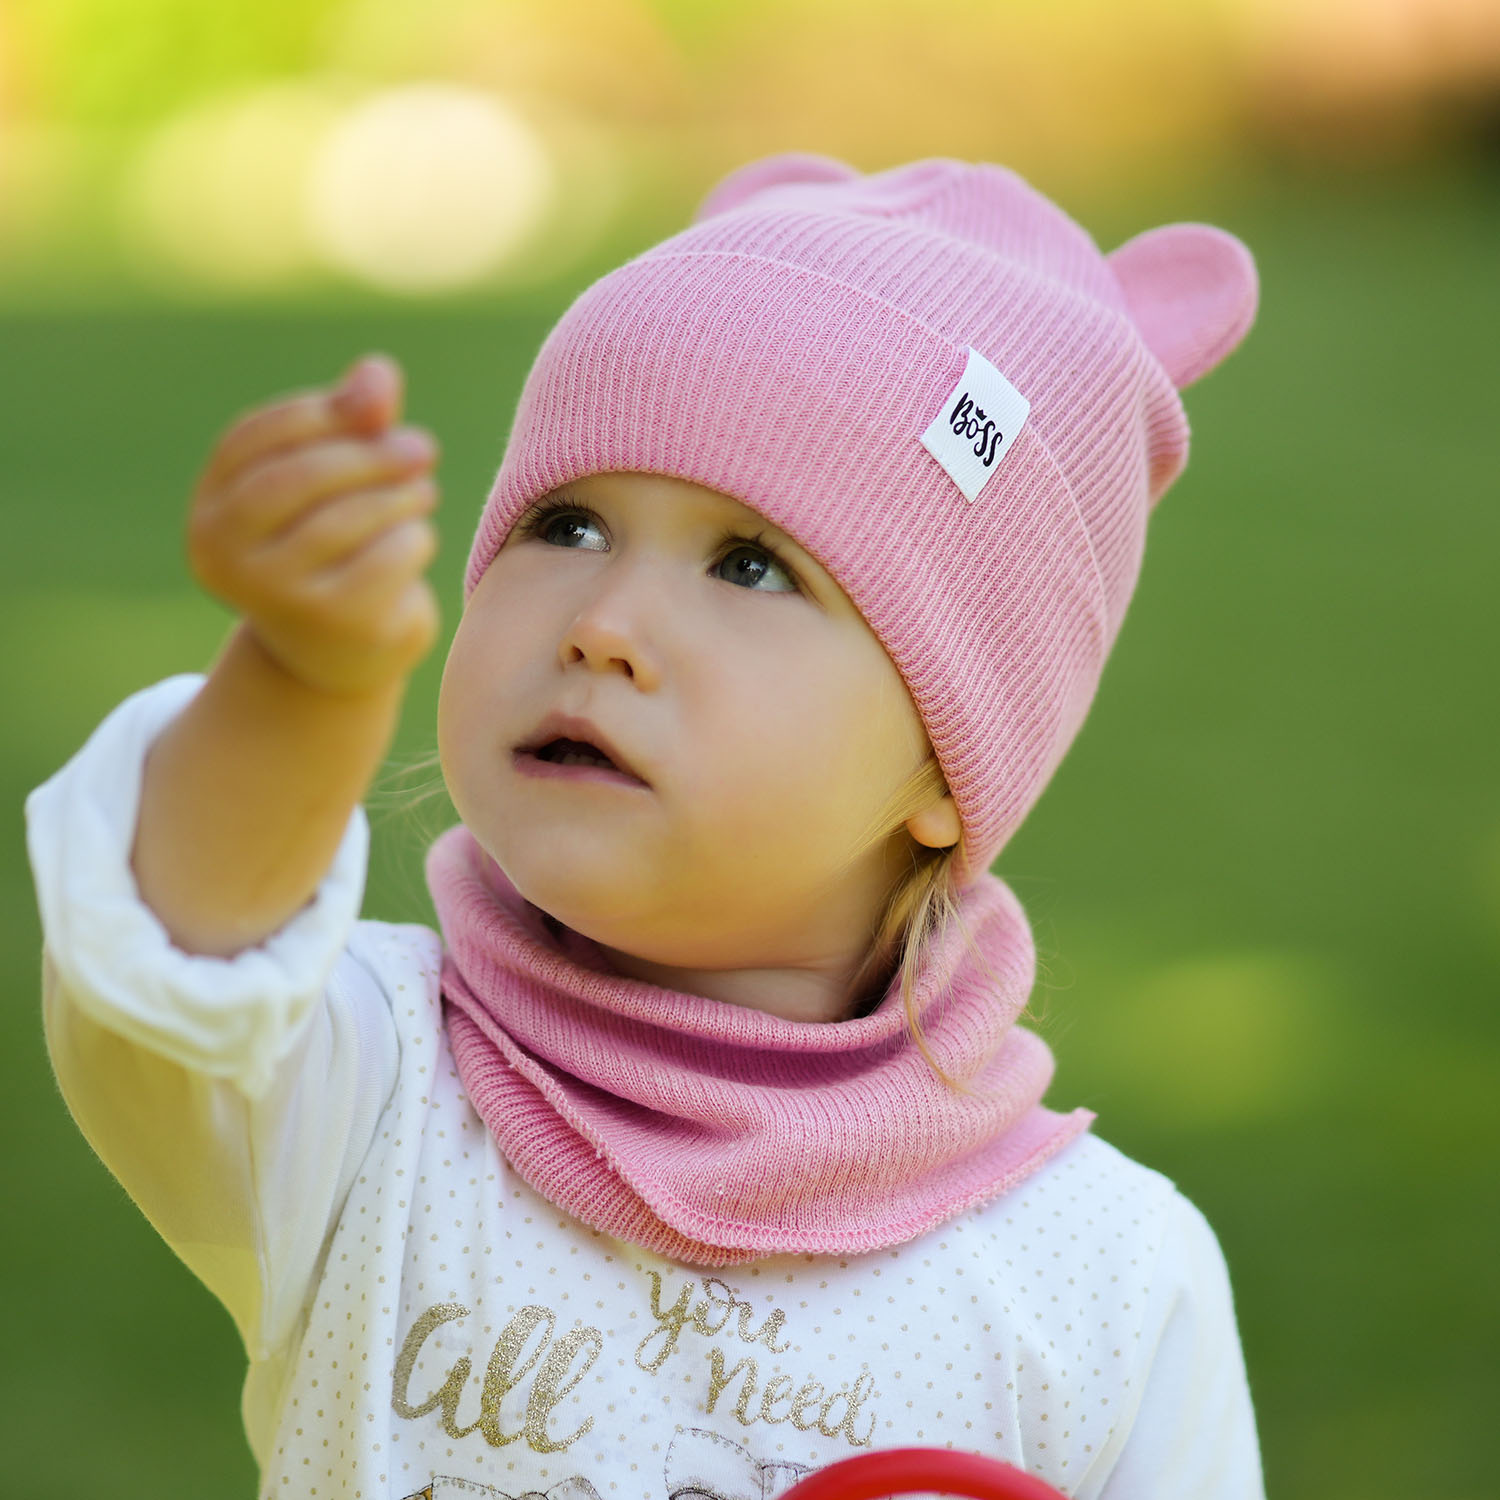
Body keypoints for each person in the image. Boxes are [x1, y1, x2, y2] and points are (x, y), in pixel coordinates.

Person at [24, 152, 1264, 1500]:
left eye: (751, 565)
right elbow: (172, 954)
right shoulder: (368, 1088)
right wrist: (301, 678)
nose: (603, 624)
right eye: (567, 525)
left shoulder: (1106, 1283)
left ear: (951, 764)